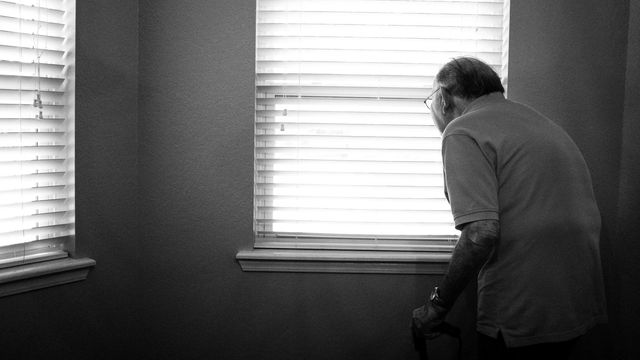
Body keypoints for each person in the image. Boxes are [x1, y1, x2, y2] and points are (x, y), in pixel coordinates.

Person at [411, 57, 607, 359]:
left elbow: (480, 233)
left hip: (523, 305)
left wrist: (436, 306)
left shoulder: (462, 129)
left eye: (431, 101)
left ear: (443, 99)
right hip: (575, 299)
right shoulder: (540, 122)